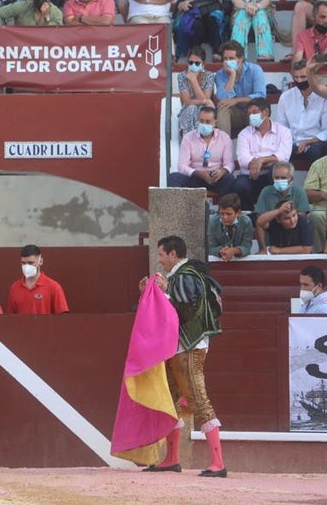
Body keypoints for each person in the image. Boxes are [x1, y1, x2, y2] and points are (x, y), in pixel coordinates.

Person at [142, 235, 226, 478]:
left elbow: (186, 310)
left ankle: (218, 462)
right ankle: (171, 459)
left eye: (160, 255)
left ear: (173, 254)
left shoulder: (185, 276)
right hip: (178, 348)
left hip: (189, 347)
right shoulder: (183, 275)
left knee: (199, 401)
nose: (159, 260)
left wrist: (165, 292)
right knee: (171, 401)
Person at [167, 106, 239, 197]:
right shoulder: (188, 138)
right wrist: (198, 174)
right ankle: (179, 210)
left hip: (215, 178)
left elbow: (229, 164)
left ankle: (224, 209)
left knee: (229, 179)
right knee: (173, 178)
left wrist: (222, 171)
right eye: (201, 121)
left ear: (215, 123)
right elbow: (182, 166)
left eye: (208, 122)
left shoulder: (224, 138)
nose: (204, 124)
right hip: (195, 176)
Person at [274, 59, 327, 165]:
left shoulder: (323, 97)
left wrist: (308, 142)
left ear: (311, 76)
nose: (299, 81)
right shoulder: (286, 97)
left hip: (315, 143)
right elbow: (281, 126)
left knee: (318, 151)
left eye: (303, 77)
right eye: (296, 78)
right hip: (291, 143)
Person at [213, 40, 266, 137]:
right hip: (235, 114)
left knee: (259, 110)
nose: (228, 62)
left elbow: (261, 96)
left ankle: (257, 148)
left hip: (252, 111)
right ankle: (225, 148)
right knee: (223, 108)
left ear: (241, 58)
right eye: (225, 59)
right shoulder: (220, 74)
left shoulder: (255, 70)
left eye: (231, 58)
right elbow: (223, 99)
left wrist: (236, 100)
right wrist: (232, 75)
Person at [6, 245, 68, 314]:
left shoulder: (54, 287)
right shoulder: (15, 288)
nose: (26, 266)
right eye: (23, 263)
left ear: (40, 261)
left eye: (31, 263)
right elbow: (10, 318)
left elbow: (63, 319)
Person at [208, 193, 255, 260]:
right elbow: (211, 247)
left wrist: (234, 251)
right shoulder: (212, 223)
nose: (224, 217)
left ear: (238, 213)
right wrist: (221, 251)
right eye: (221, 213)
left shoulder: (246, 222)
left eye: (228, 214)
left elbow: (246, 247)